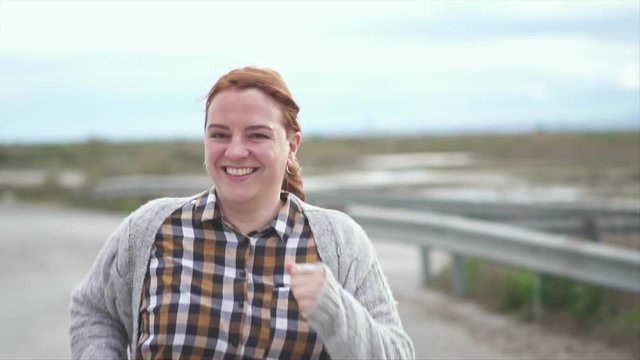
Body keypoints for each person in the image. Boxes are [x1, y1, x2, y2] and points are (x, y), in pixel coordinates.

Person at [69, 66, 415, 359]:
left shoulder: (339, 242)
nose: (235, 151)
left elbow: (397, 352)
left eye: (257, 135)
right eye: (220, 134)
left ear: (292, 145)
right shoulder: (151, 229)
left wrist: (337, 313)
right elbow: (94, 310)